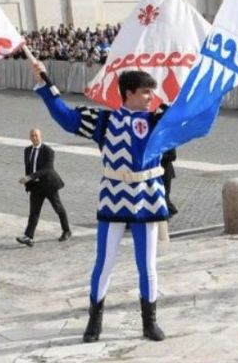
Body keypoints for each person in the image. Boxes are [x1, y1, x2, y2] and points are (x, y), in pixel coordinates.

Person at [31, 61, 168, 343]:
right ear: (128, 93)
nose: (150, 97)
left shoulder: (159, 119)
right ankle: (94, 321)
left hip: (147, 197)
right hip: (114, 199)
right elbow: (67, 117)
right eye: (145, 92)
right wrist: (46, 84)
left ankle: (149, 322)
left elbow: (192, 117)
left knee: (148, 264)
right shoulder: (105, 120)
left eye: (151, 92)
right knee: (104, 262)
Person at [17, 127, 71, 246]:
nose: (34, 137)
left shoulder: (48, 151)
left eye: (36, 135)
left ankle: (66, 231)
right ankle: (29, 237)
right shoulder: (27, 150)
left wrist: (30, 176)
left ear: (41, 137)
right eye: (32, 135)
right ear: (30, 137)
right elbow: (29, 167)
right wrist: (27, 181)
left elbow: (48, 169)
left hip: (49, 184)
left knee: (58, 208)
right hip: (35, 186)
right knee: (34, 212)